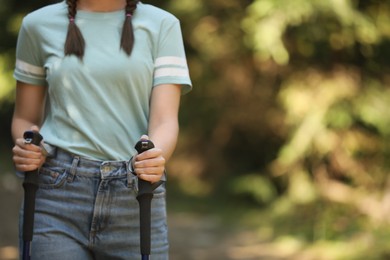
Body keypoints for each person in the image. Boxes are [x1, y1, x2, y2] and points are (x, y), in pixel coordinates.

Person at [11, 0, 192, 259]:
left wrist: (155, 156)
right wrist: (28, 146)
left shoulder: (163, 25)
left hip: (137, 195)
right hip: (55, 194)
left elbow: (164, 120)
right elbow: (24, 118)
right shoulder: (37, 25)